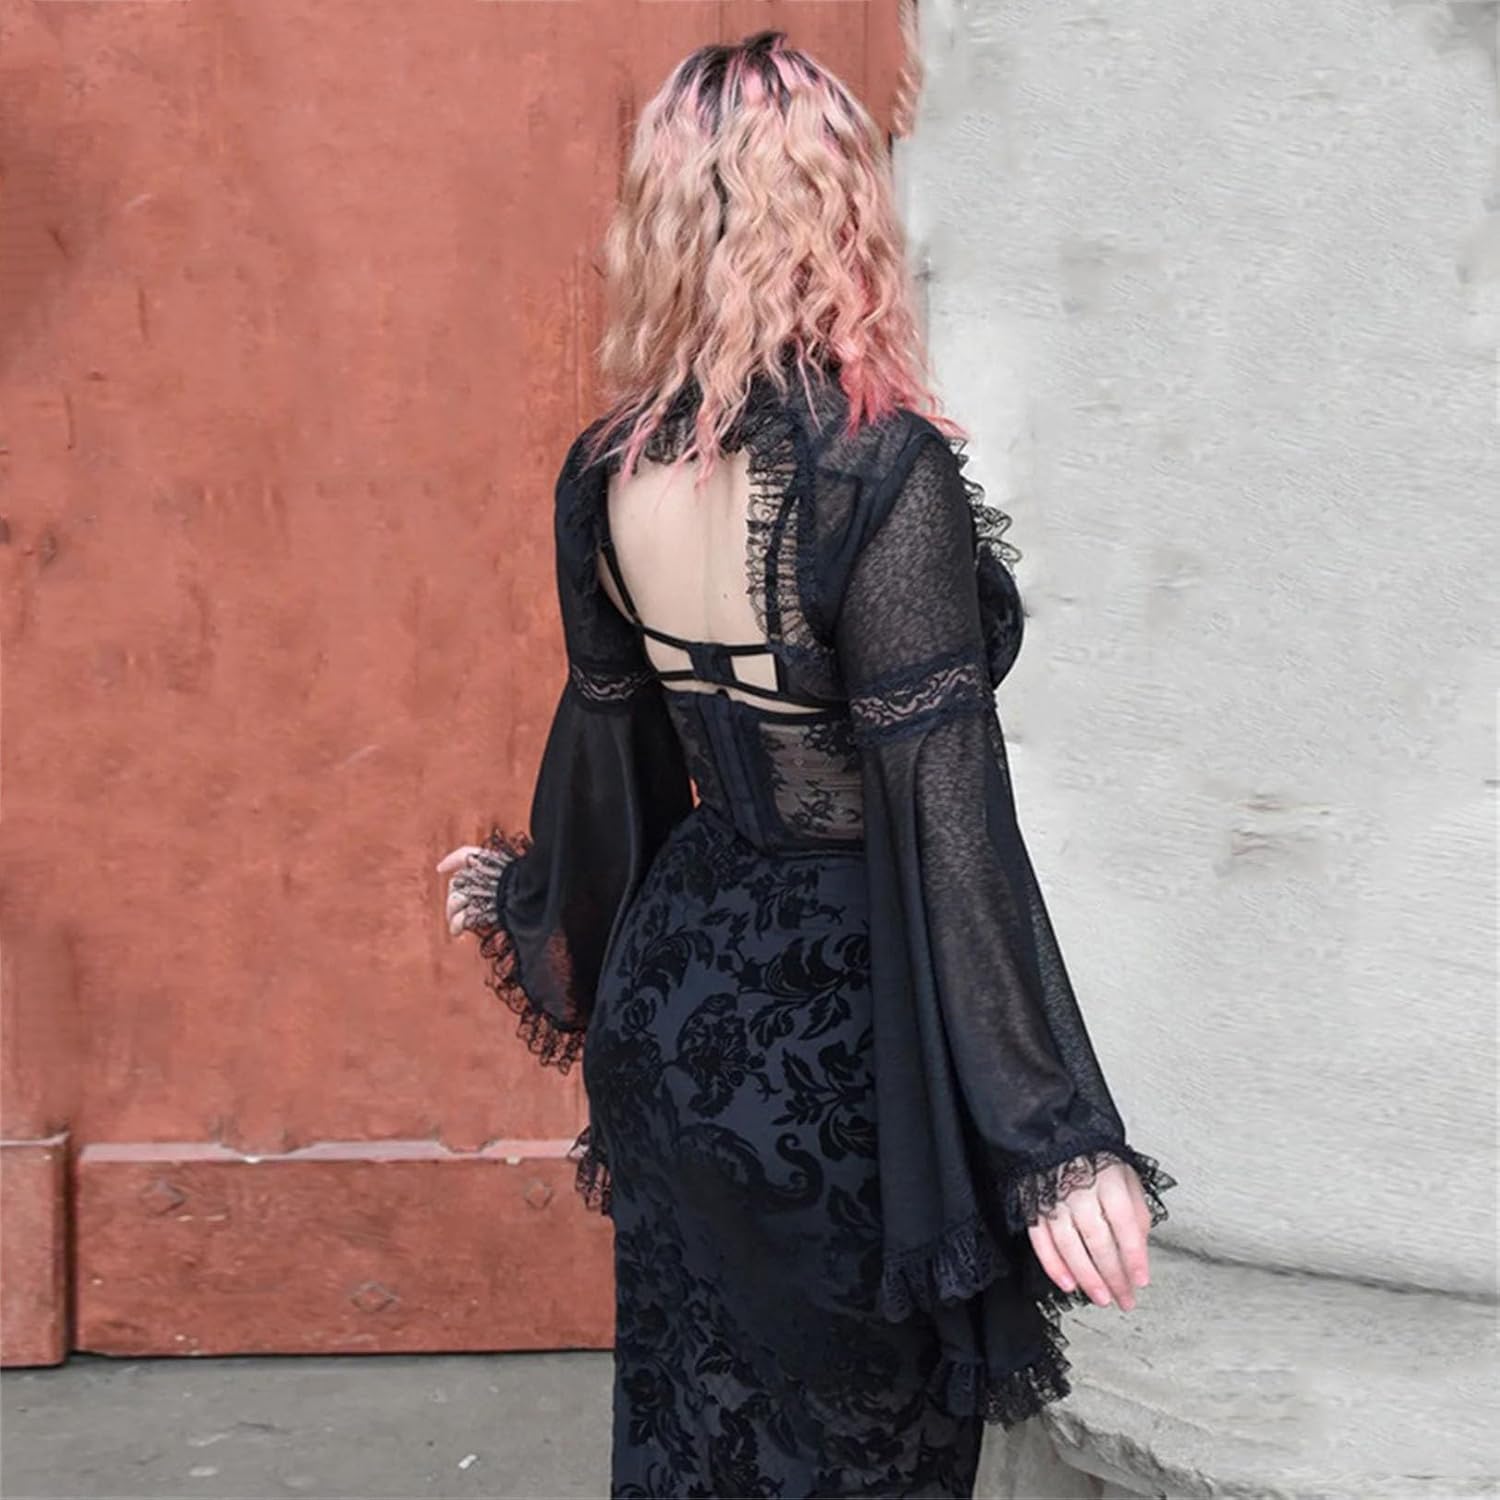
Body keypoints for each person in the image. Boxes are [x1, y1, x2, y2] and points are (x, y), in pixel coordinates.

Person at [437, 30, 1177, 1499]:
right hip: (839, 1050)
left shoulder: (605, 473)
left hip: (677, 1017)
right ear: (842, 211)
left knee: (698, 1439)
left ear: (664, 219)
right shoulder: (880, 474)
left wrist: (537, 906)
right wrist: (1054, 1140)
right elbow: (948, 820)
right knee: (863, 1461)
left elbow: (611, 766)